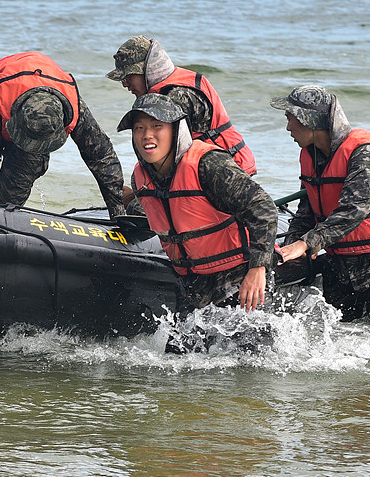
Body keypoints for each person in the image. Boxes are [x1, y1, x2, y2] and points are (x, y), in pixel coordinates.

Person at [117, 92, 278, 319]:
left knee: (245, 353)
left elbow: (264, 209)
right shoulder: (140, 178)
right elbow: (162, 213)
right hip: (194, 286)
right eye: (139, 128)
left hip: (240, 278)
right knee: (178, 354)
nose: (147, 135)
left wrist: (257, 269)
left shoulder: (209, 164)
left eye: (156, 126)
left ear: (176, 130)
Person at [271, 85, 370, 325]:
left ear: (310, 120)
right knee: (343, 334)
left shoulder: (365, 152)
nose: (288, 128)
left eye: (290, 119)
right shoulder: (310, 155)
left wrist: (305, 243)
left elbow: (354, 210)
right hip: (341, 265)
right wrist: (290, 251)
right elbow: (306, 212)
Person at [0, 51, 125, 218]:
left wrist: (118, 212)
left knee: (12, 195)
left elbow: (103, 158)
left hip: (37, 90)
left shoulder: (75, 109)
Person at [107, 35, 257, 177]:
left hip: (227, 171)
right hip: (213, 167)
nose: (125, 84)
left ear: (147, 70)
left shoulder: (178, 96)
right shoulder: (168, 91)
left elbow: (171, 157)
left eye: (128, 76)